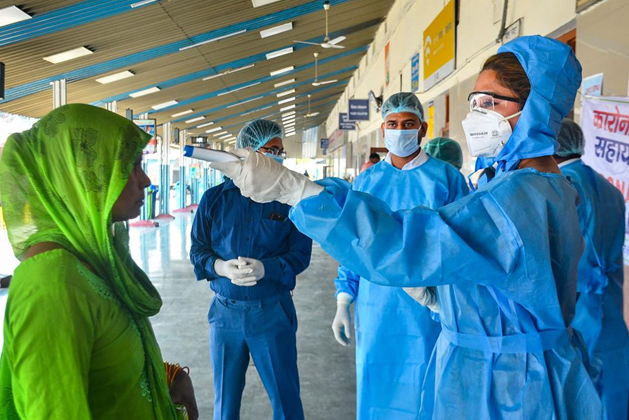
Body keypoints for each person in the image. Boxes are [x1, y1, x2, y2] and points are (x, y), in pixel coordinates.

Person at [212, 35, 603, 419]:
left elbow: (404, 243)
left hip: (511, 384)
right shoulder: (530, 187)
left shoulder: (522, 197)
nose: (475, 115)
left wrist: (296, 189)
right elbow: (493, 274)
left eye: (489, 102)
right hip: (508, 369)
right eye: (474, 103)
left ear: (534, 108)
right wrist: (445, 299)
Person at [0, 104, 197, 420]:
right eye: (130, 167)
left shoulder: (90, 263)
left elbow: (104, 365)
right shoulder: (51, 287)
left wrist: (168, 378)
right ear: (78, 175)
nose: (145, 180)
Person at [331, 92, 469, 420]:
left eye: (408, 123)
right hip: (376, 306)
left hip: (430, 308)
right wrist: (342, 301)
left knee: (428, 389)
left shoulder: (447, 179)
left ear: (422, 129)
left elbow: (464, 246)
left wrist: (445, 302)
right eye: (393, 123)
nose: (400, 130)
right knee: (377, 385)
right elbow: (354, 246)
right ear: (383, 129)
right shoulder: (366, 181)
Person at [190, 119, 312, 420]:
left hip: (271, 312)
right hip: (224, 315)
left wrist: (267, 268)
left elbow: (300, 255)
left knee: (286, 400)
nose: (278, 157)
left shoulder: (290, 201)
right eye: (270, 150)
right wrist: (219, 266)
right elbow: (197, 250)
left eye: (281, 151)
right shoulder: (214, 200)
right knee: (225, 404)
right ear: (248, 153)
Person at [555, 119, 629, 420]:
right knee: (610, 397)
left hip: (576, 308)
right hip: (609, 308)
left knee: (578, 398)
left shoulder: (561, 187)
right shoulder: (609, 190)